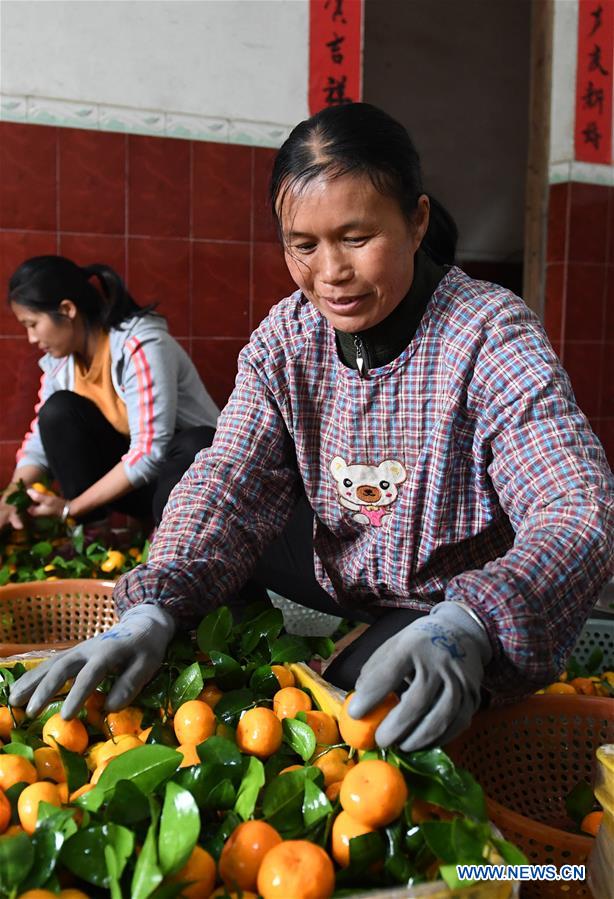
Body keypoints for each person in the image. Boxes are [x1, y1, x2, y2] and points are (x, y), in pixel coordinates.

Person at [12, 103, 613, 753]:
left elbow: (577, 508)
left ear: (416, 222)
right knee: (192, 471)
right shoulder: (287, 337)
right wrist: (153, 604)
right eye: (304, 245)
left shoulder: (489, 332)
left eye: (356, 238)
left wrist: (476, 618)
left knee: (361, 718)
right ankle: (250, 658)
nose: (330, 274)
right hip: (340, 562)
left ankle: (397, 642)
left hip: (445, 594)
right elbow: (230, 477)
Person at [0, 256, 219, 530]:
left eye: (32, 324)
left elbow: (150, 452)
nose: (32, 338)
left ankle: (168, 541)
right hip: (135, 486)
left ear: (67, 309)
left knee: (196, 443)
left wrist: (69, 509)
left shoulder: (142, 346)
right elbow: (38, 446)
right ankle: (93, 538)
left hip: (187, 479)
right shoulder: (61, 364)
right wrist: (11, 498)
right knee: (57, 410)